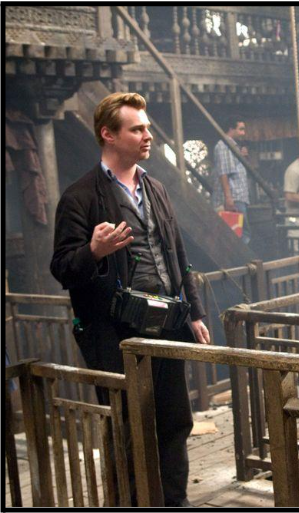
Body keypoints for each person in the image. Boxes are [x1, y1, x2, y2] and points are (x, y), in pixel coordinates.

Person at [50, 92, 211, 507]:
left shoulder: (155, 188)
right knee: (127, 427)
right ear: (108, 134)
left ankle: (174, 502)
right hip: (115, 333)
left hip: (167, 326)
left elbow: (177, 254)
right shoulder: (80, 196)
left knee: (175, 420)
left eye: (147, 128)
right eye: (137, 129)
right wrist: (94, 252)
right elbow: (62, 268)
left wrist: (194, 312)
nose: (147, 135)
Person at [212, 116, 251, 245]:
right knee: (241, 234)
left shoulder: (234, 146)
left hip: (238, 196)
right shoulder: (224, 146)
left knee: (242, 233)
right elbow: (224, 173)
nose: (243, 133)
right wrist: (229, 199)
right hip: (234, 198)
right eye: (241, 129)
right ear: (231, 129)